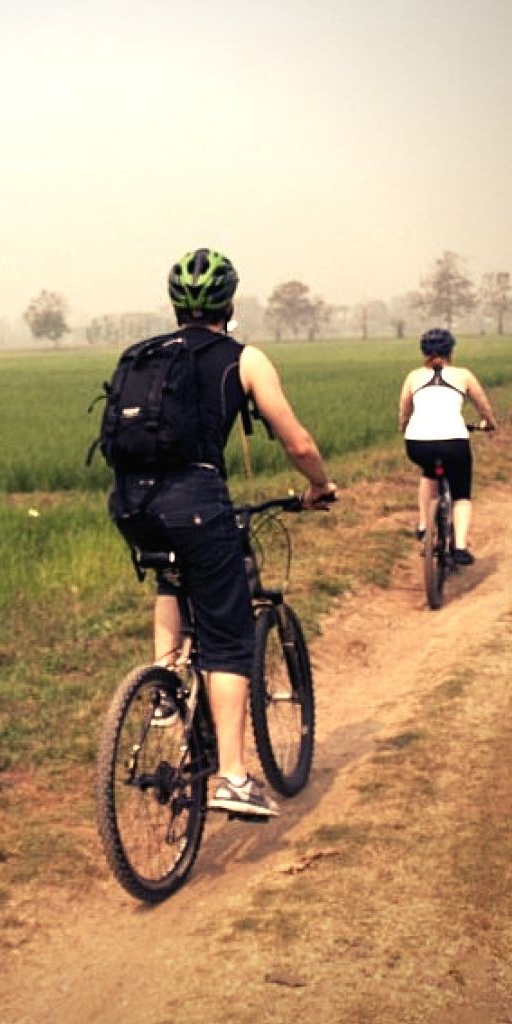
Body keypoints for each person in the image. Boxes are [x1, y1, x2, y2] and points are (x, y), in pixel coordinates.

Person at [107, 247, 338, 820]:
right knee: (227, 639)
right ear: (229, 304)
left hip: (132, 503)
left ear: (175, 304)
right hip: (197, 504)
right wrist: (320, 485)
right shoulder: (246, 359)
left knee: (170, 574)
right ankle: (233, 777)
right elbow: (299, 443)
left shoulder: (143, 356)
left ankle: (164, 686)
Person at [398, 328, 498, 566]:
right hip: (454, 442)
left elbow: (404, 410)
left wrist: (404, 427)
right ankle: (461, 547)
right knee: (461, 494)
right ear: (451, 350)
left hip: (417, 444)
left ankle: (424, 525)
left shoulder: (413, 376)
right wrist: (489, 423)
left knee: (428, 471)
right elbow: (483, 405)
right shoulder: (463, 375)